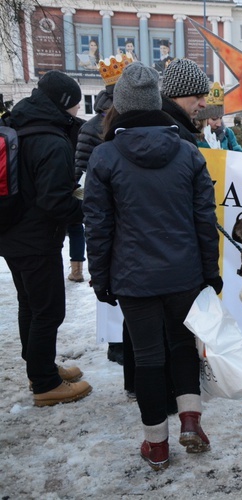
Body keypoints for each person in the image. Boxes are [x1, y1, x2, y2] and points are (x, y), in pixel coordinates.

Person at [84, 62, 222, 470]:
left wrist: (101, 277)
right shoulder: (187, 152)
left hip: (133, 277)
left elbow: (98, 227)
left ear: (121, 106)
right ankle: (191, 423)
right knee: (182, 347)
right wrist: (209, 272)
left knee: (145, 357)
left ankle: (156, 445)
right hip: (183, 273)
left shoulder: (104, 156)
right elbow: (204, 220)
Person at [0, 71, 93, 406]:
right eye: (76, 106)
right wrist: (86, 206)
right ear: (64, 103)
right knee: (49, 311)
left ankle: (37, 367)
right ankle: (44, 384)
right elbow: (54, 201)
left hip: (11, 233)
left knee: (31, 304)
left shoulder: (19, 124)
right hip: (37, 240)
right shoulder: (52, 140)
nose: (76, 113)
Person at [75, 52, 136, 366]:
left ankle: (117, 343)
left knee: (110, 277)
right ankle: (119, 343)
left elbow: (79, 172)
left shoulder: (90, 126)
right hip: (123, 212)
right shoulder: (109, 124)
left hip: (104, 213)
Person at [160, 58, 210, 144]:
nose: (204, 104)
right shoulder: (174, 134)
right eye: (198, 96)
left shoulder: (174, 128)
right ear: (175, 93)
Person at [195, 83, 242, 151]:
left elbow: (240, 155)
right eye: (214, 118)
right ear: (202, 119)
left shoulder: (228, 134)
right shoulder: (188, 137)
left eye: (221, 118)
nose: (219, 124)